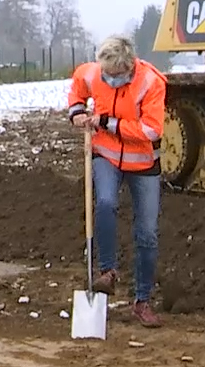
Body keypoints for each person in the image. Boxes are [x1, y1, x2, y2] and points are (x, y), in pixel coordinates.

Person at [67, 34, 168, 328]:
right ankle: (107, 272)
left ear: (129, 68)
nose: (108, 79)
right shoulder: (94, 72)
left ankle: (142, 300)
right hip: (106, 154)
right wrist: (76, 112)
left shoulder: (151, 83)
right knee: (106, 202)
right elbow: (78, 86)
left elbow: (151, 130)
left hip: (144, 162)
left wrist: (107, 123)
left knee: (147, 233)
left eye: (114, 75)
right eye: (105, 74)